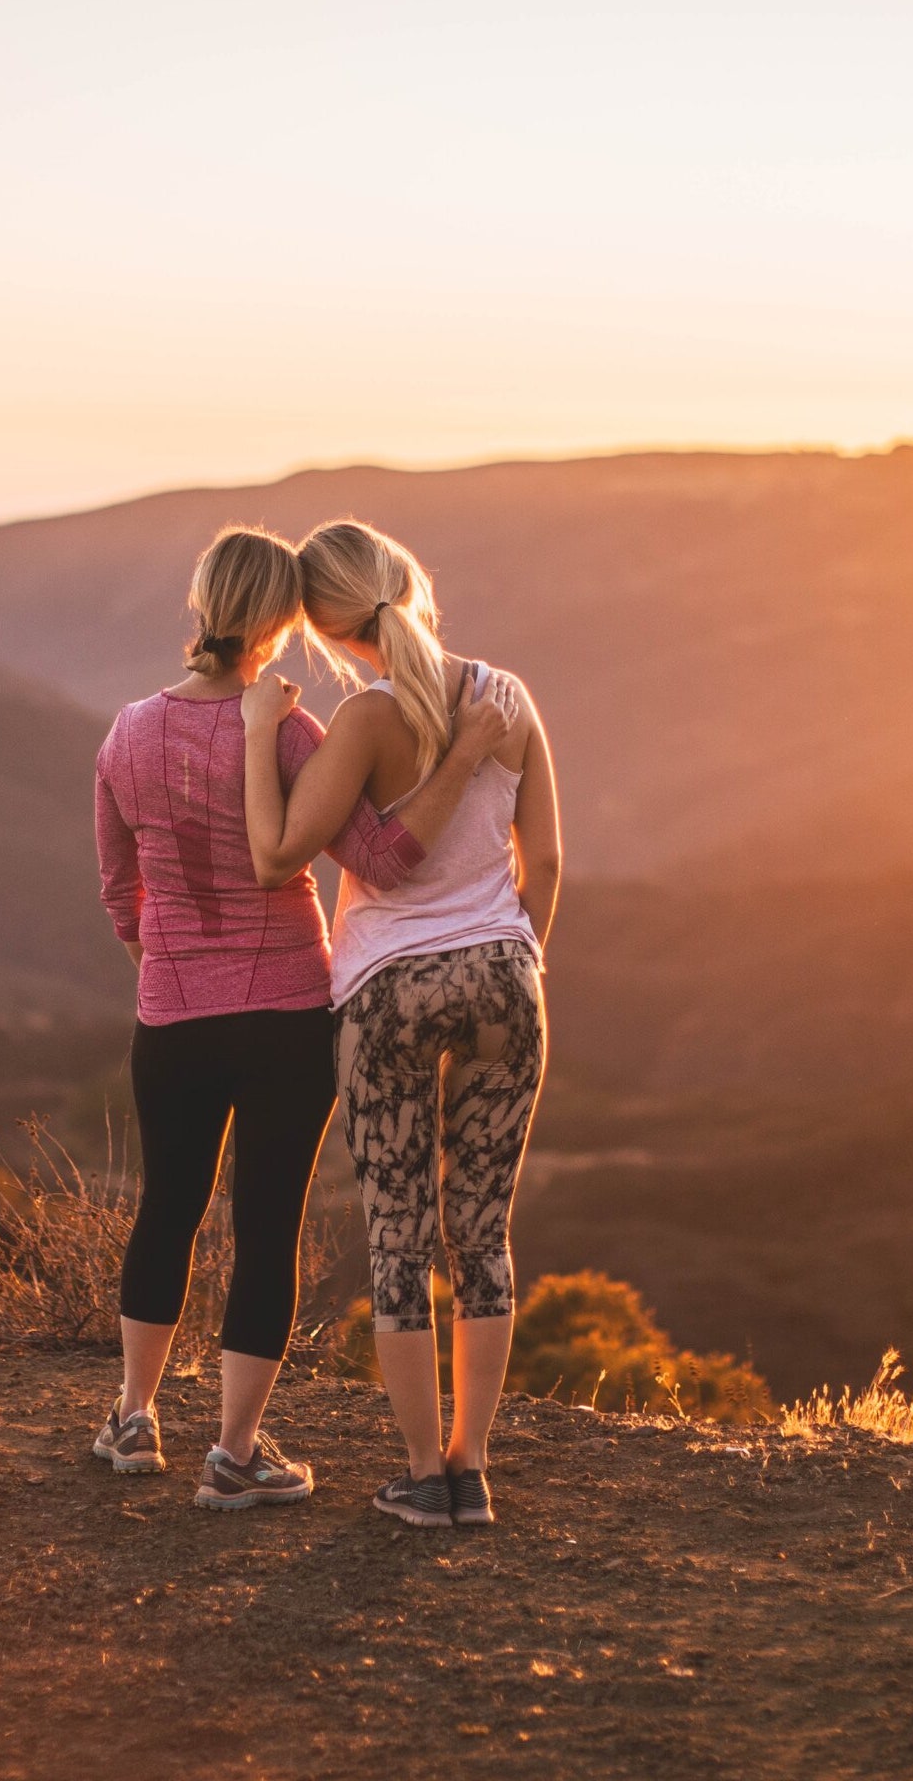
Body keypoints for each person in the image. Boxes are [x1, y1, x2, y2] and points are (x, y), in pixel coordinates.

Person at [91, 524, 510, 1510]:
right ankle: (235, 1451)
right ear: (280, 624)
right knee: (264, 1224)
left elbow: (118, 884)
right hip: (286, 1012)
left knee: (168, 1206)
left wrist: (161, 961)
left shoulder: (126, 732)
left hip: (173, 1013)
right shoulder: (290, 733)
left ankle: (133, 1416)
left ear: (198, 606)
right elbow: (380, 857)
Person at [241, 518, 560, 1528]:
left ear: (330, 633)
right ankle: (474, 1464)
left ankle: (425, 1471)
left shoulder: (365, 724)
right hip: (507, 977)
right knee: (483, 1229)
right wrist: (515, 957)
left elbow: (301, 847)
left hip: (388, 993)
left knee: (399, 1232)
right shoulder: (506, 699)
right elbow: (542, 862)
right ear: (408, 581)